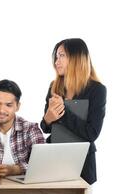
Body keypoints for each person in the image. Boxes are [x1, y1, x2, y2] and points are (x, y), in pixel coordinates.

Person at [40, 38, 107, 186]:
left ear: (77, 58)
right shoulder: (54, 86)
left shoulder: (97, 90)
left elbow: (91, 133)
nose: (56, 62)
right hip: (53, 158)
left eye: (62, 56)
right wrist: (48, 119)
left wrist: (63, 111)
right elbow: (45, 128)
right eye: (56, 57)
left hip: (82, 162)